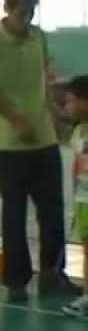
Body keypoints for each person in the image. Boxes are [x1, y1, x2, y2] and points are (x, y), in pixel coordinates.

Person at [0, 0, 79, 302]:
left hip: (43, 139)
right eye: (22, 13)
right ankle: (16, 281)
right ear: (6, 8)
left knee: (52, 210)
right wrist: (15, 120)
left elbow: (43, 82)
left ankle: (51, 274)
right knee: (14, 213)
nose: (27, 19)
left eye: (32, 12)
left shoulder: (38, 38)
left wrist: (56, 115)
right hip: (10, 144)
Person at [62, 76, 88, 317]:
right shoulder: (78, 131)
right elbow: (76, 164)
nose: (67, 107)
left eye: (70, 101)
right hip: (83, 200)